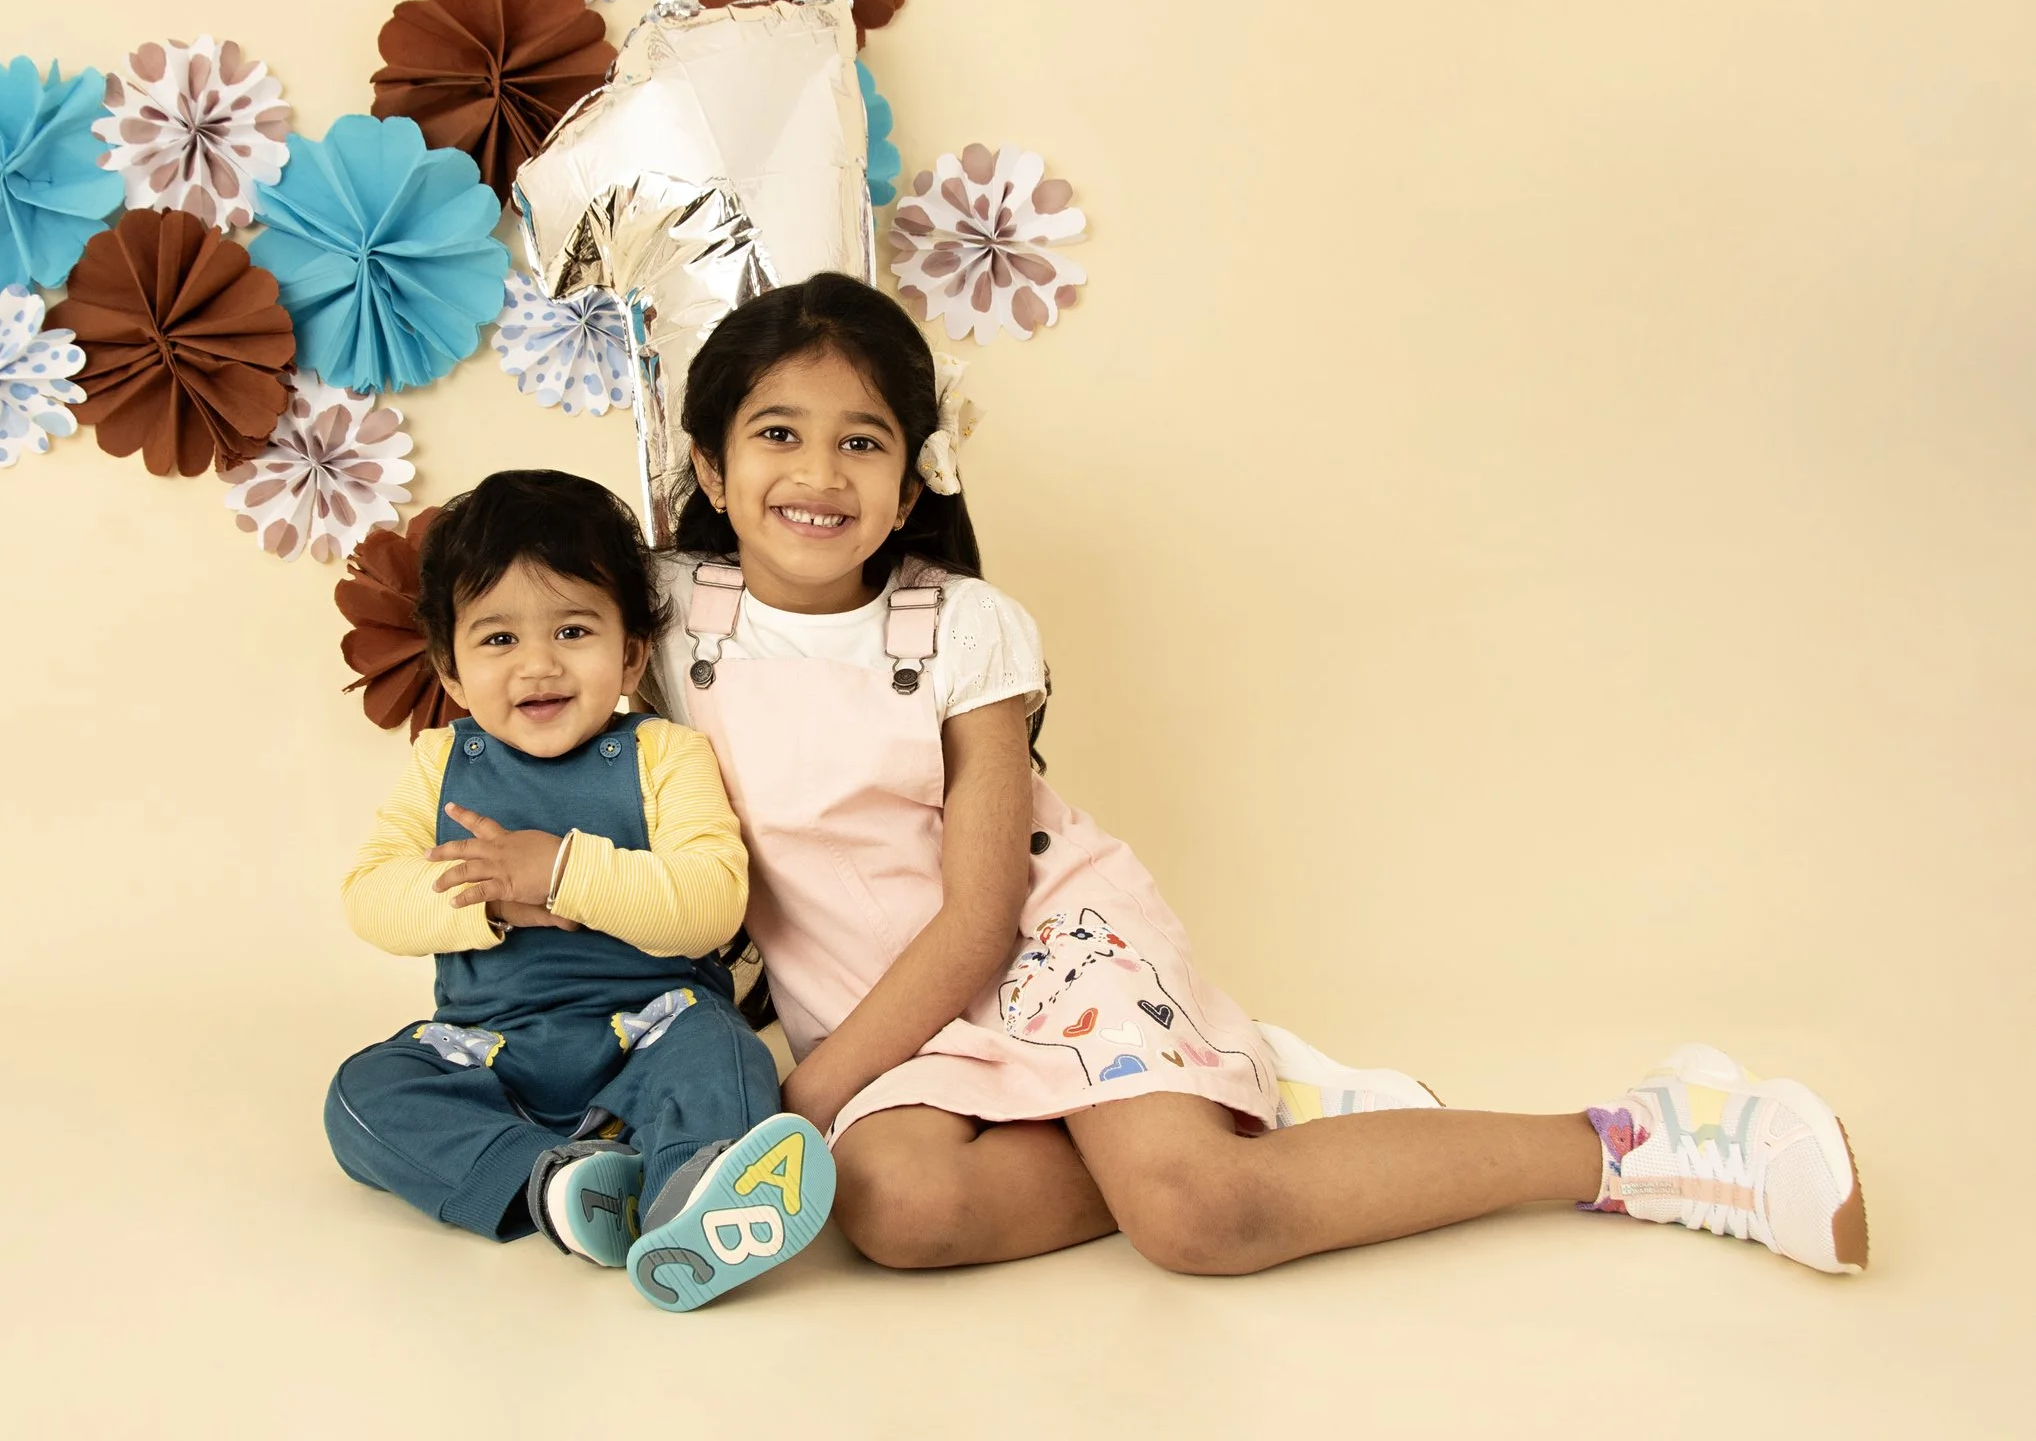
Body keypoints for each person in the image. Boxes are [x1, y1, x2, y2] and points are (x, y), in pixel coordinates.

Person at [647, 273, 1867, 1278]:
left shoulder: (963, 629)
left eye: (861, 442)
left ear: (911, 484)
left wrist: (796, 1099)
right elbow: (494, 611)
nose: (818, 475)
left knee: (1197, 1219)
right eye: (777, 436)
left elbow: (977, 923)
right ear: (709, 471)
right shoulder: (659, 615)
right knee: (897, 1210)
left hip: (1038, 946)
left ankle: (1639, 1140)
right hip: (881, 1016)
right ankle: (1256, 1107)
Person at [324, 469, 833, 1311]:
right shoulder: (441, 764)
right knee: (361, 1097)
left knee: (727, 1054)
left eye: (572, 629)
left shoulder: (664, 755)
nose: (539, 665)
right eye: (498, 641)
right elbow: (369, 893)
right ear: (449, 672)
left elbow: (712, 903)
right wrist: (487, 899)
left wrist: (563, 870)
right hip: (492, 1047)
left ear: (631, 653)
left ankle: (691, 1194)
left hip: (651, 1029)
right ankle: (558, 1186)